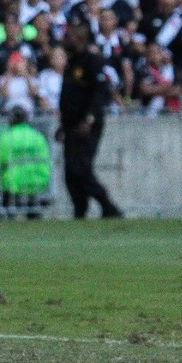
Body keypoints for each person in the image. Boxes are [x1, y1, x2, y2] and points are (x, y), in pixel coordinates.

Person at [57, 17, 122, 219]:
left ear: (78, 38)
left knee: (81, 168)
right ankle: (80, 209)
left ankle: (108, 206)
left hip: (87, 123)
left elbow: (99, 91)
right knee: (70, 172)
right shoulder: (72, 62)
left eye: (67, 36)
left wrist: (90, 118)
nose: (63, 39)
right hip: (71, 123)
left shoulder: (91, 61)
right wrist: (62, 124)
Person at [0, 107, 51, 219]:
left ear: (11, 120)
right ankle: (34, 216)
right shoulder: (37, 136)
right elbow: (46, 160)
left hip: (13, 183)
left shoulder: (7, 137)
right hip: (36, 181)